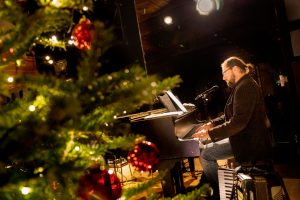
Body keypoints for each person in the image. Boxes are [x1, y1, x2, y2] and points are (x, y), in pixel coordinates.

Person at [192, 56, 272, 199]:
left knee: (206, 154)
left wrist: (210, 134)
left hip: (250, 143)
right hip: (243, 138)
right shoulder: (241, 86)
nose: (223, 77)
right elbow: (228, 116)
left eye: (224, 72)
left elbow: (238, 122)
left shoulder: (246, 87)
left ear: (235, 69)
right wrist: (211, 124)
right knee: (204, 146)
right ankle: (212, 185)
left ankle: (219, 193)